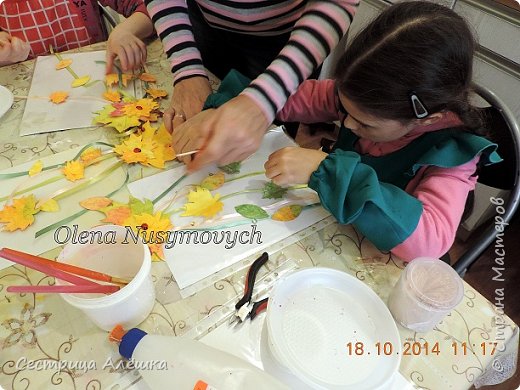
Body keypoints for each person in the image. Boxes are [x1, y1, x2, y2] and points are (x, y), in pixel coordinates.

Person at [264, 1, 501, 261]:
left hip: (386, 257)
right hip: (335, 230)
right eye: (345, 109)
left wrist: (327, 171)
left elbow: (430, 241)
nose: (348, 124)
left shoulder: (452, 154)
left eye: (365, 124)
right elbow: (297, 98)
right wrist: (254, 107)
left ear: (425, 119)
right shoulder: (364, 96)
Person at [145, 0, 359, 169]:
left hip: (291, 43)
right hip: (204, 25)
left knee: (264, 149)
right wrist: (187, 70)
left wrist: (265, 99)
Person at [0, 0, 154, 72]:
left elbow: (153, 8)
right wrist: (5, 56)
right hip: (30, 93)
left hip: (100, 75)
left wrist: (125, 29)